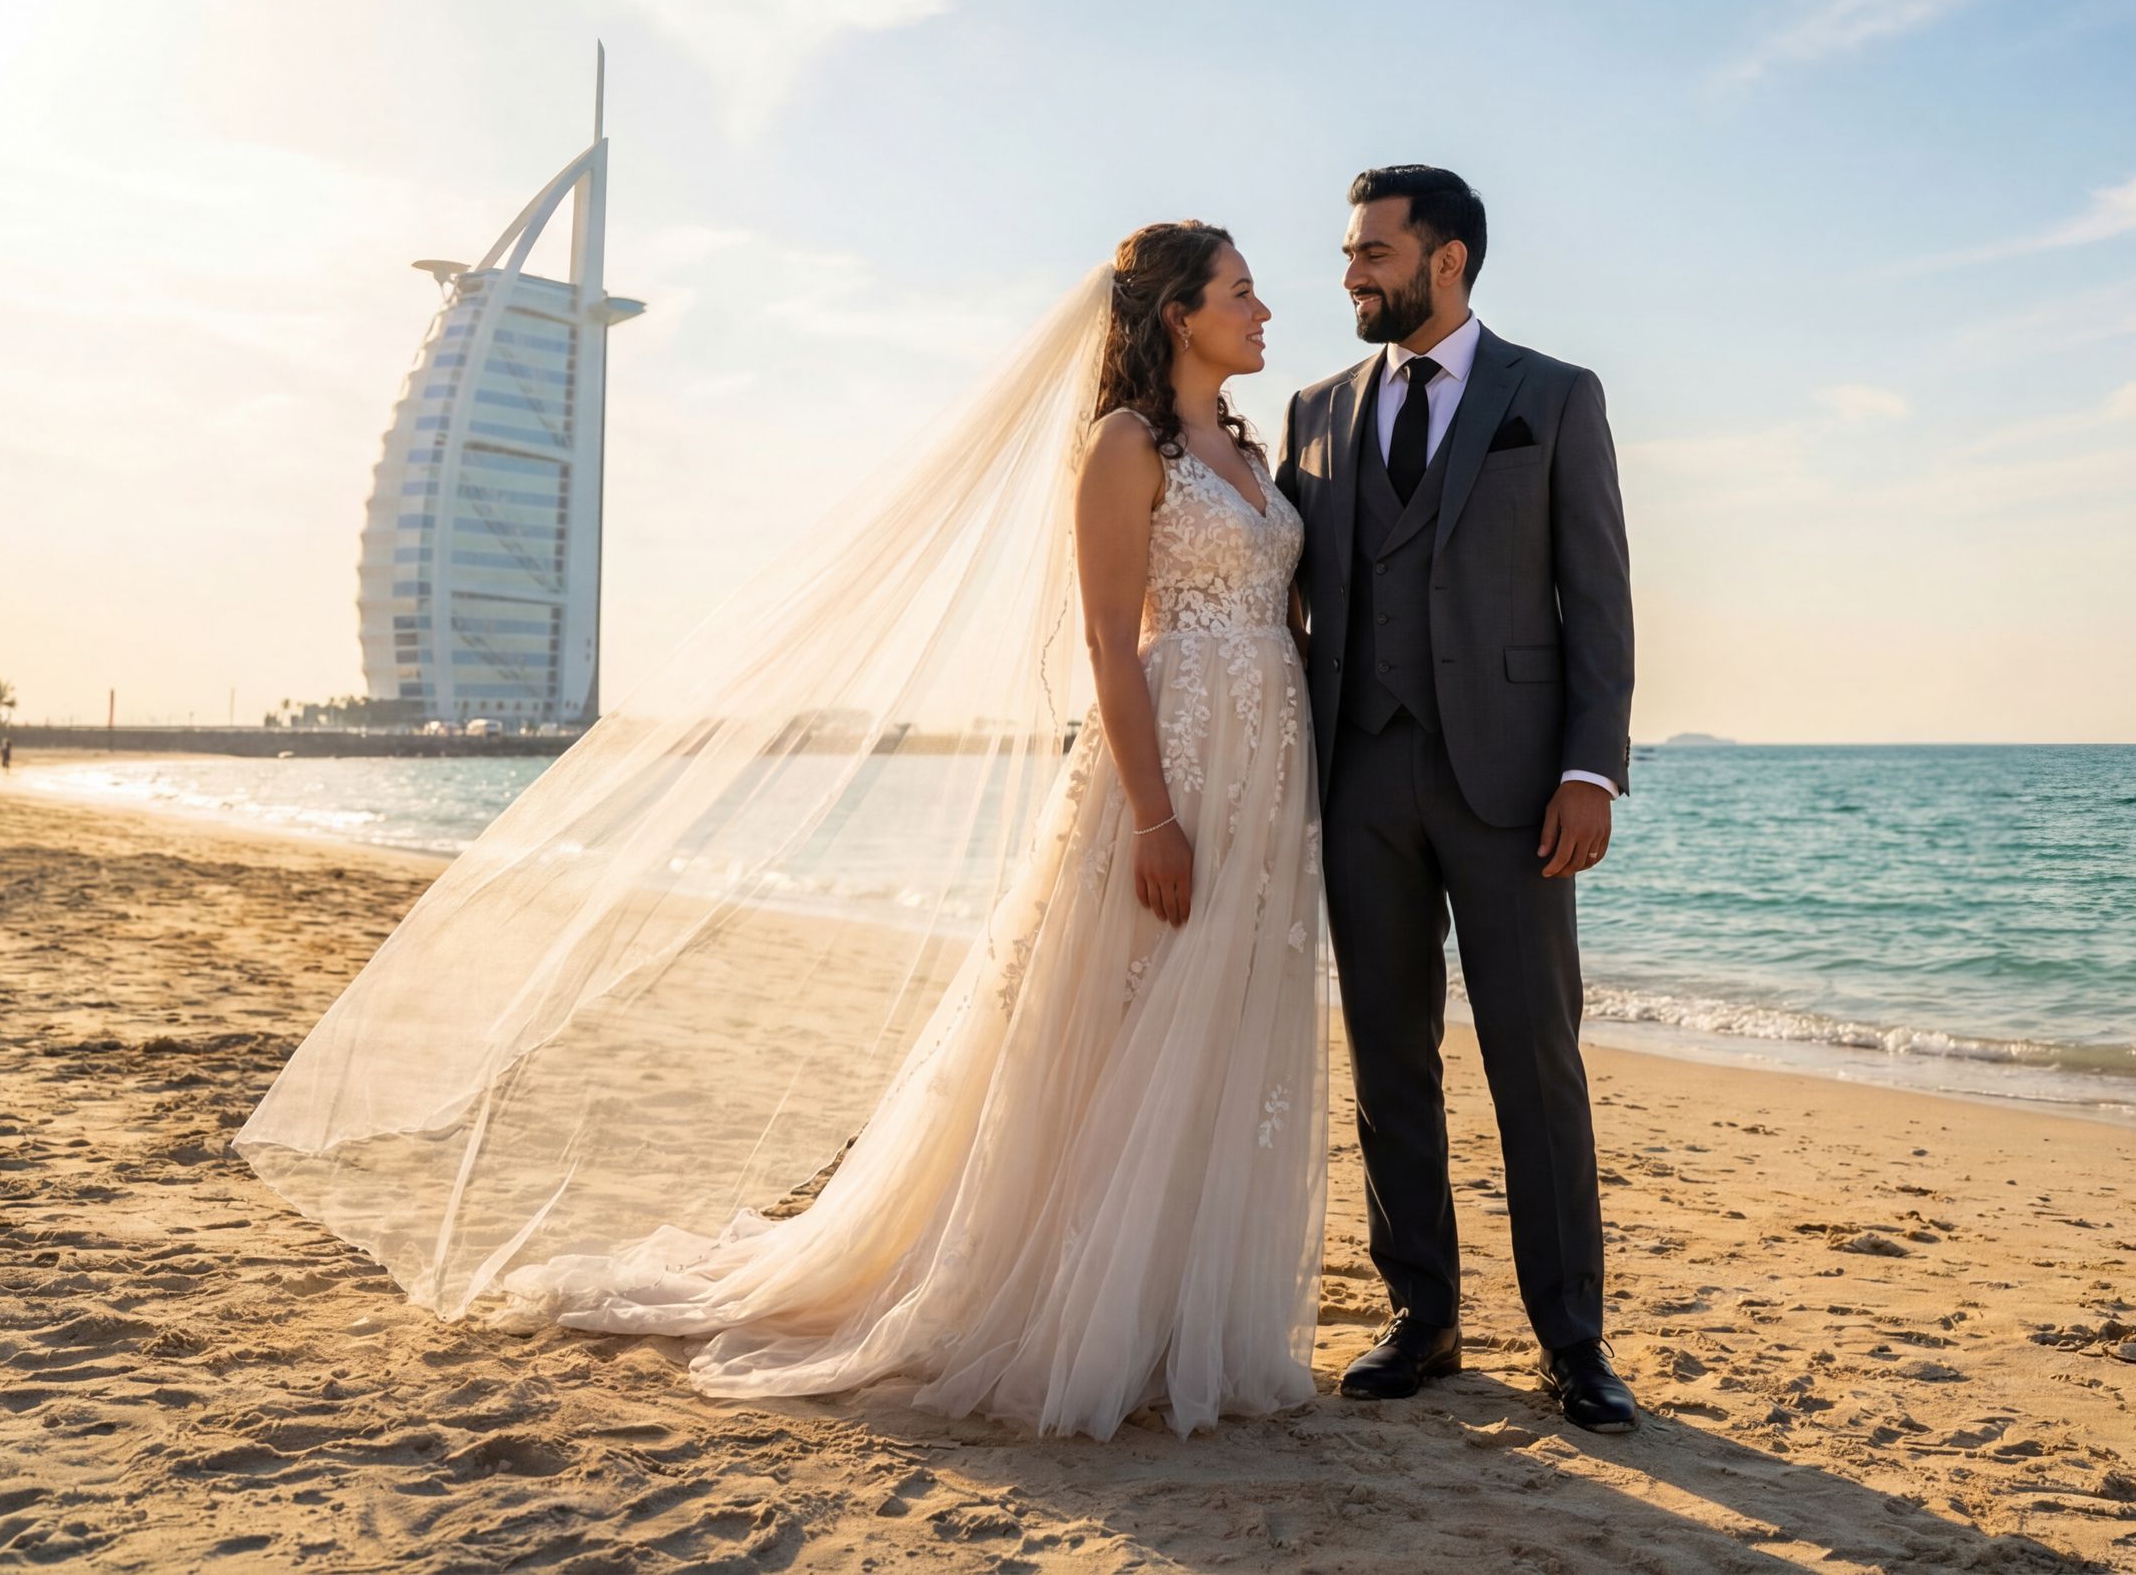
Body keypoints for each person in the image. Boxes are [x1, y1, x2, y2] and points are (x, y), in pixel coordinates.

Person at [236, 224, 1327, 1441]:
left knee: (1215, 1029)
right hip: (1169, 765)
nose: (1264, 308)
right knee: (1125, 1025)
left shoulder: (1246, 445)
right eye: (1242, 290)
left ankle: (1177, 1310)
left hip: (1266, 775)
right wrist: (1157, 816)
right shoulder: (1125, 449)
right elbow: (1108, 647)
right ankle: (1080, 1308)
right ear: (1180, 312)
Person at [1276, 165, 1640, 1433]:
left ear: (1449, 260)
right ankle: (1423, 1316)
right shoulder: (1315, 408)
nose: (1349, 273)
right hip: (1360, 773)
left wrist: (1594, 768)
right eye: (1349, 251)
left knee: (1534, 1061)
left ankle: (1574, 1341)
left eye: (1371, 250)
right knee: (1388, 1057)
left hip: (1517, 786)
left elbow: (1596, 598)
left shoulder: (1553, 396)